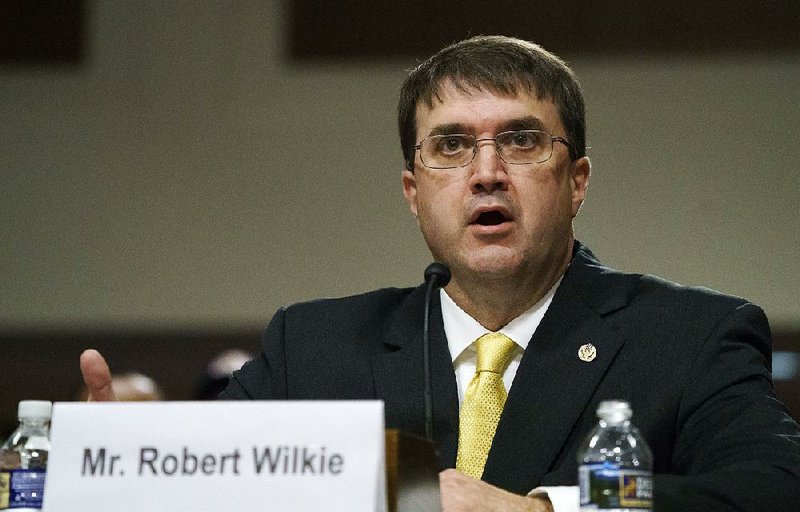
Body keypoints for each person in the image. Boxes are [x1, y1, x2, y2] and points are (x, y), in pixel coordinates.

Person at [82, 35, 800, 511]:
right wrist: (121, 465)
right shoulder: (315, 346)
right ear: (414, 190)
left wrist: (545, 511)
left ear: (576, 180)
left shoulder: (689, 336)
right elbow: (212, 489)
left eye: (520, 142)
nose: (487, 174)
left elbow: (772, 490)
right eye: (452, 146)